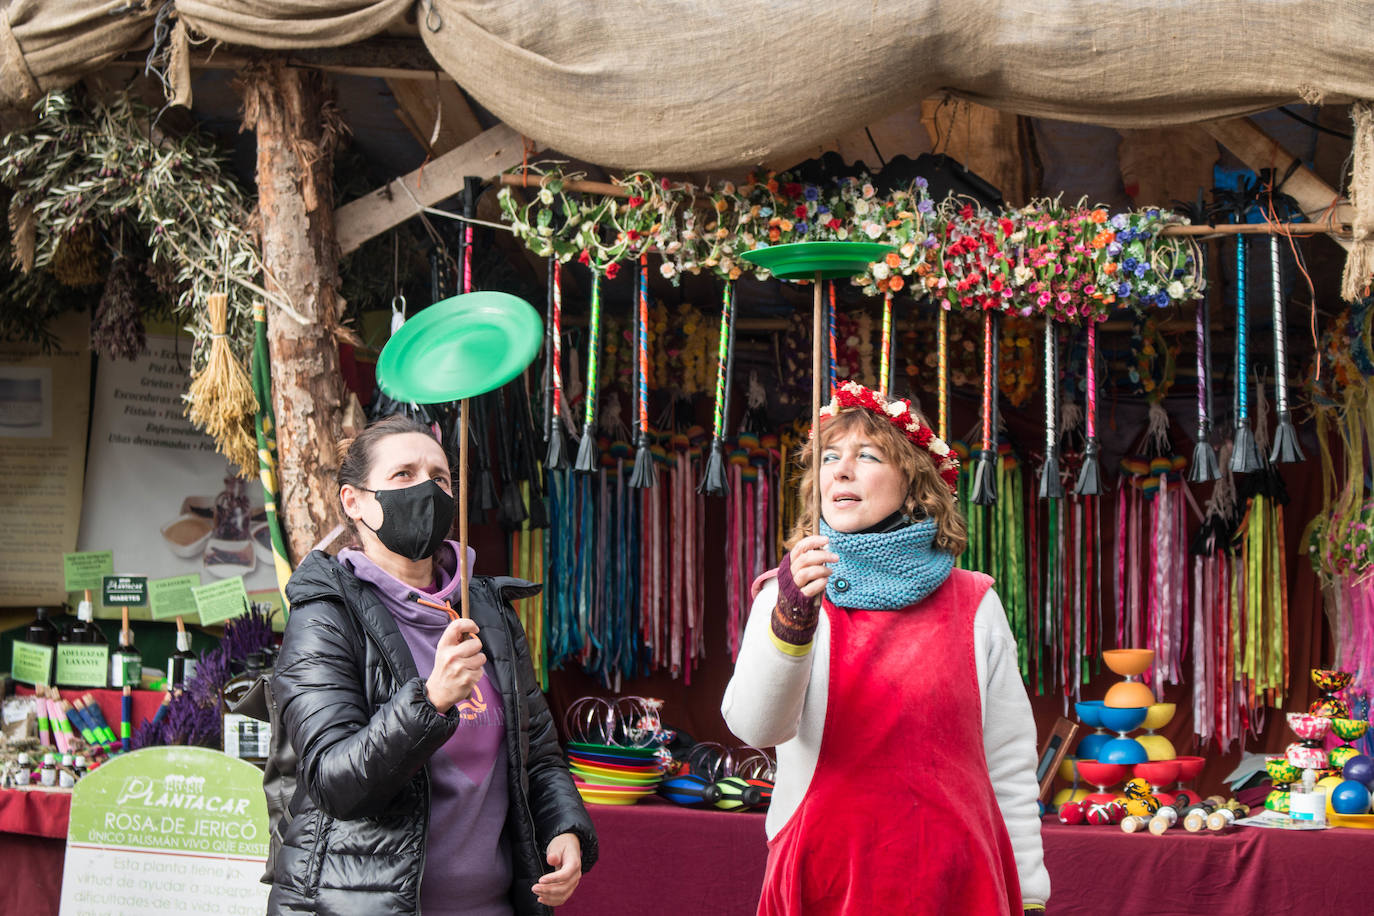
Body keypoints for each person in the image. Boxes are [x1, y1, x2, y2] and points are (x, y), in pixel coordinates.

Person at [722, 381, 1048, 915]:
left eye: (866, 456)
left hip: (956, 882)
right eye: (829, 457)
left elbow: (1008, 762)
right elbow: (757, 729)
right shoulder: (788, 595)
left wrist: (1030, 891)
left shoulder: (976, 604)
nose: (840, 470)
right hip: (826, 876)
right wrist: (793, 620)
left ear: (915, 484)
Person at [267, 414, 596, 915]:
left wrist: (565, 828)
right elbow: (334, 783)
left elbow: (540, 757)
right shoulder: (326, 616)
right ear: (353, 502)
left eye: (439, 478)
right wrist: (431, 700)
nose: (426, 489)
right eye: (403, 475)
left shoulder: (489, 611)